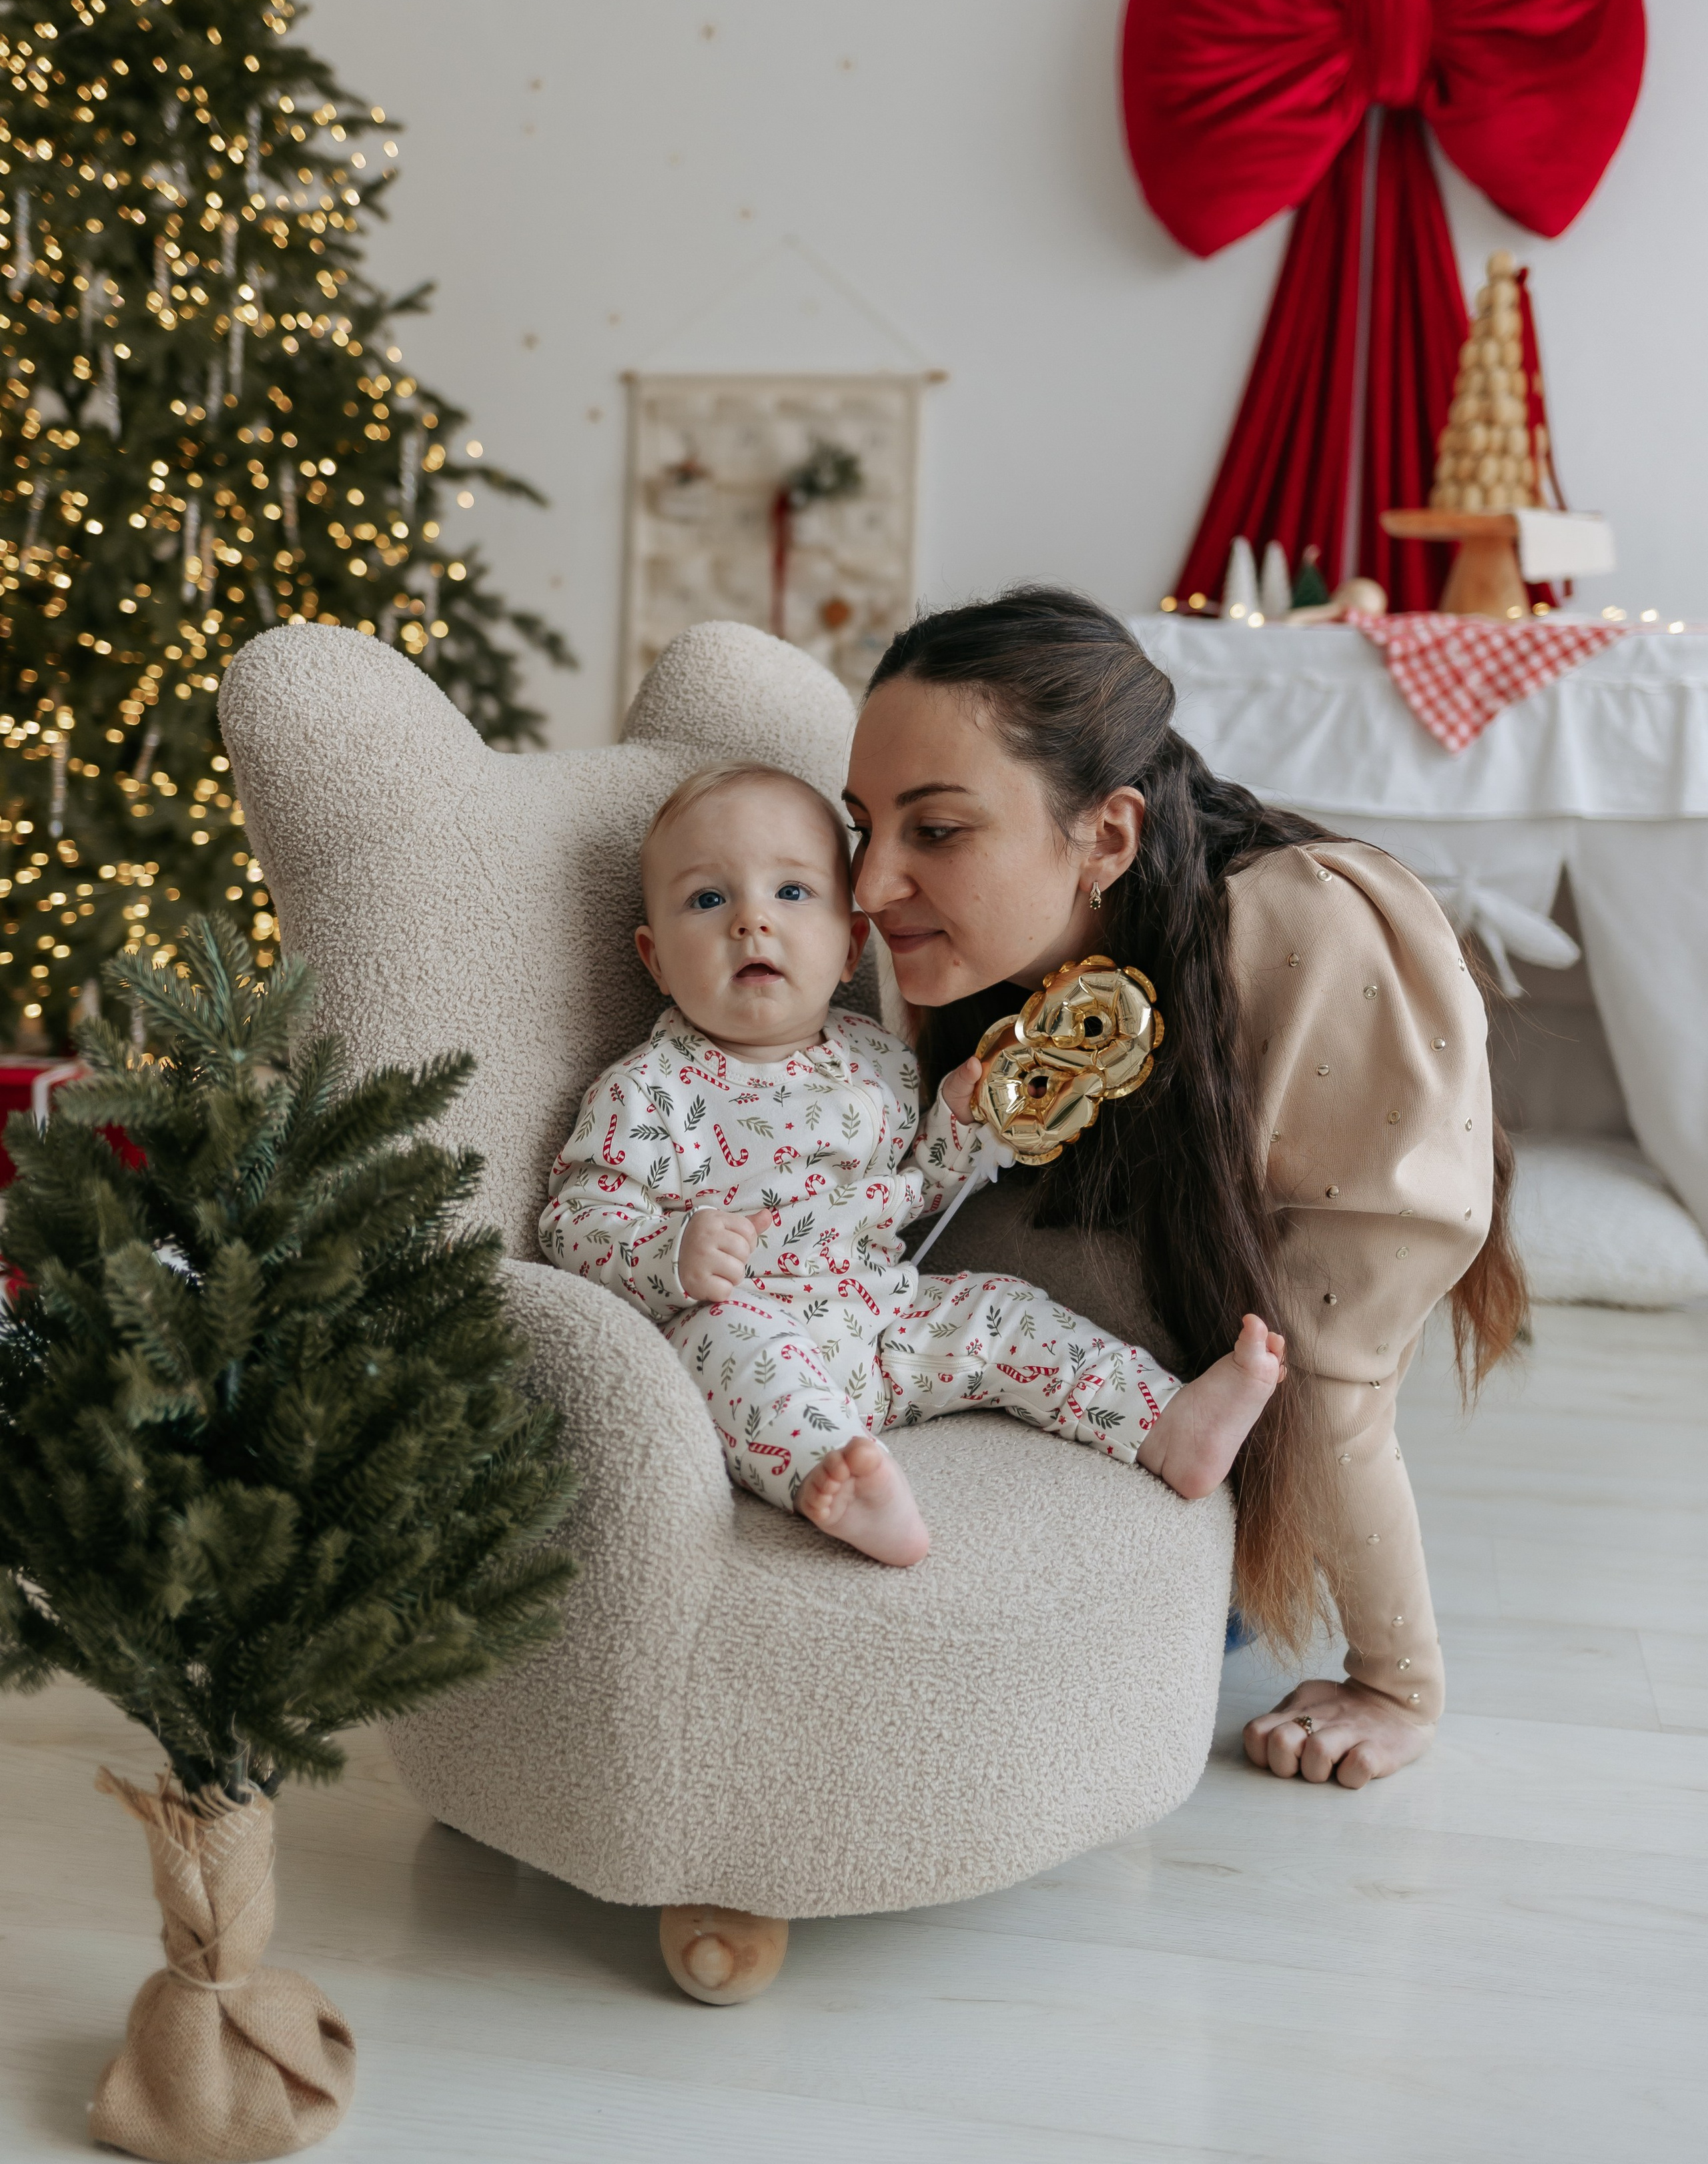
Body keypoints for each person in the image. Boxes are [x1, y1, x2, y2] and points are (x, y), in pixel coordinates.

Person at [843, 587, 1526, 1787]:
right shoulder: (978, 950)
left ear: (1107, 835)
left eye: (936, 830)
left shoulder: (1304, 932)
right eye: (864, 829)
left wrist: (1394, 1681)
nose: (868, 887)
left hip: (1195, 1450)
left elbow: (1335, 1361)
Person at [540, 759, 1287, 1567]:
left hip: (884, 1317)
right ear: (654, 958)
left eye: (792, 893)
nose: (751, 922)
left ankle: (1160, 1422)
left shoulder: (875, 1062)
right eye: (708, 899)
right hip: (753, 1318)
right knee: (728, 1347)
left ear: (849, 943)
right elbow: (574, 1220)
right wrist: (670, 1254)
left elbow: (912, 1193)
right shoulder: (648, 1091)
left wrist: (957, 1131)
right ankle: (837, 1474)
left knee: (1000, 1310)